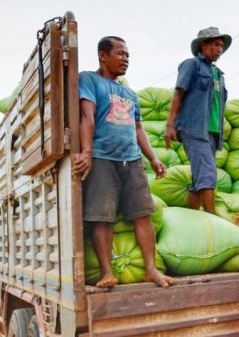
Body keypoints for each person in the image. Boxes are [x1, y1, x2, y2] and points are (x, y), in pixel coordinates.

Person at [73, 36, 175, 288]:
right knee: (102, 217)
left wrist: (153, 158)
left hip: (132, 160)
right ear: (102, 55)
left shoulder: (129, 93)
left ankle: (151, 269)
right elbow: (86, 116)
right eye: (120, 54)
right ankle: (107, 272)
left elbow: (138, 128)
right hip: (102, 159)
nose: (126, 59)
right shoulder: (89, 80)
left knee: (143, 215)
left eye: (128, 55)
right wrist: (86, 152)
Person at [165, 27, 231, 214]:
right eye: (216, 45)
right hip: (194, 128)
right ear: (204, 45)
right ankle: (213, 220)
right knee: (208, 175)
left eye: (221, 46)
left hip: (212, 133)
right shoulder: (191, 65)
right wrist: (170, 124)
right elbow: (179, 92)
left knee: (198, 180)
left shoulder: (219, 74)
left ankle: (191, 218)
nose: (220, 49)